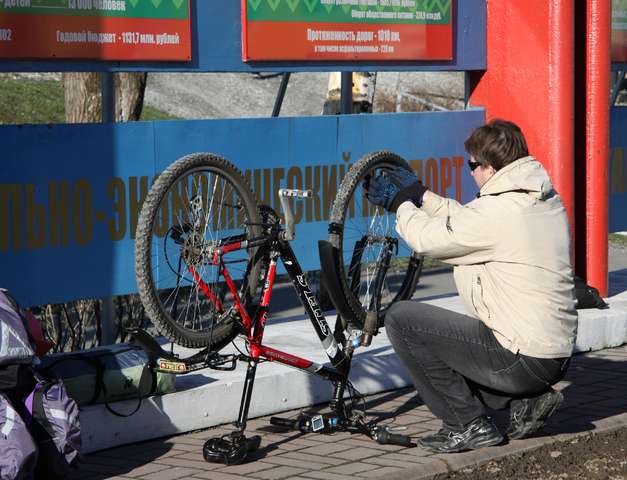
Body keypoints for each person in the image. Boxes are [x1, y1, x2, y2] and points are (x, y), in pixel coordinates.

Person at [364, 119, 577, 453]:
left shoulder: (500, 212)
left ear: (490, 168)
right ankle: (525, 402)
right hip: (551, 355)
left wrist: (400, 204)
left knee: (403, 321)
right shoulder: (540, 199)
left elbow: (429, 239)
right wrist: (421, 195)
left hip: (521, 357)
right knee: (456, 339)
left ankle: (466, 425)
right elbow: (468, 221)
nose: (471, 173)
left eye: (472, 166)